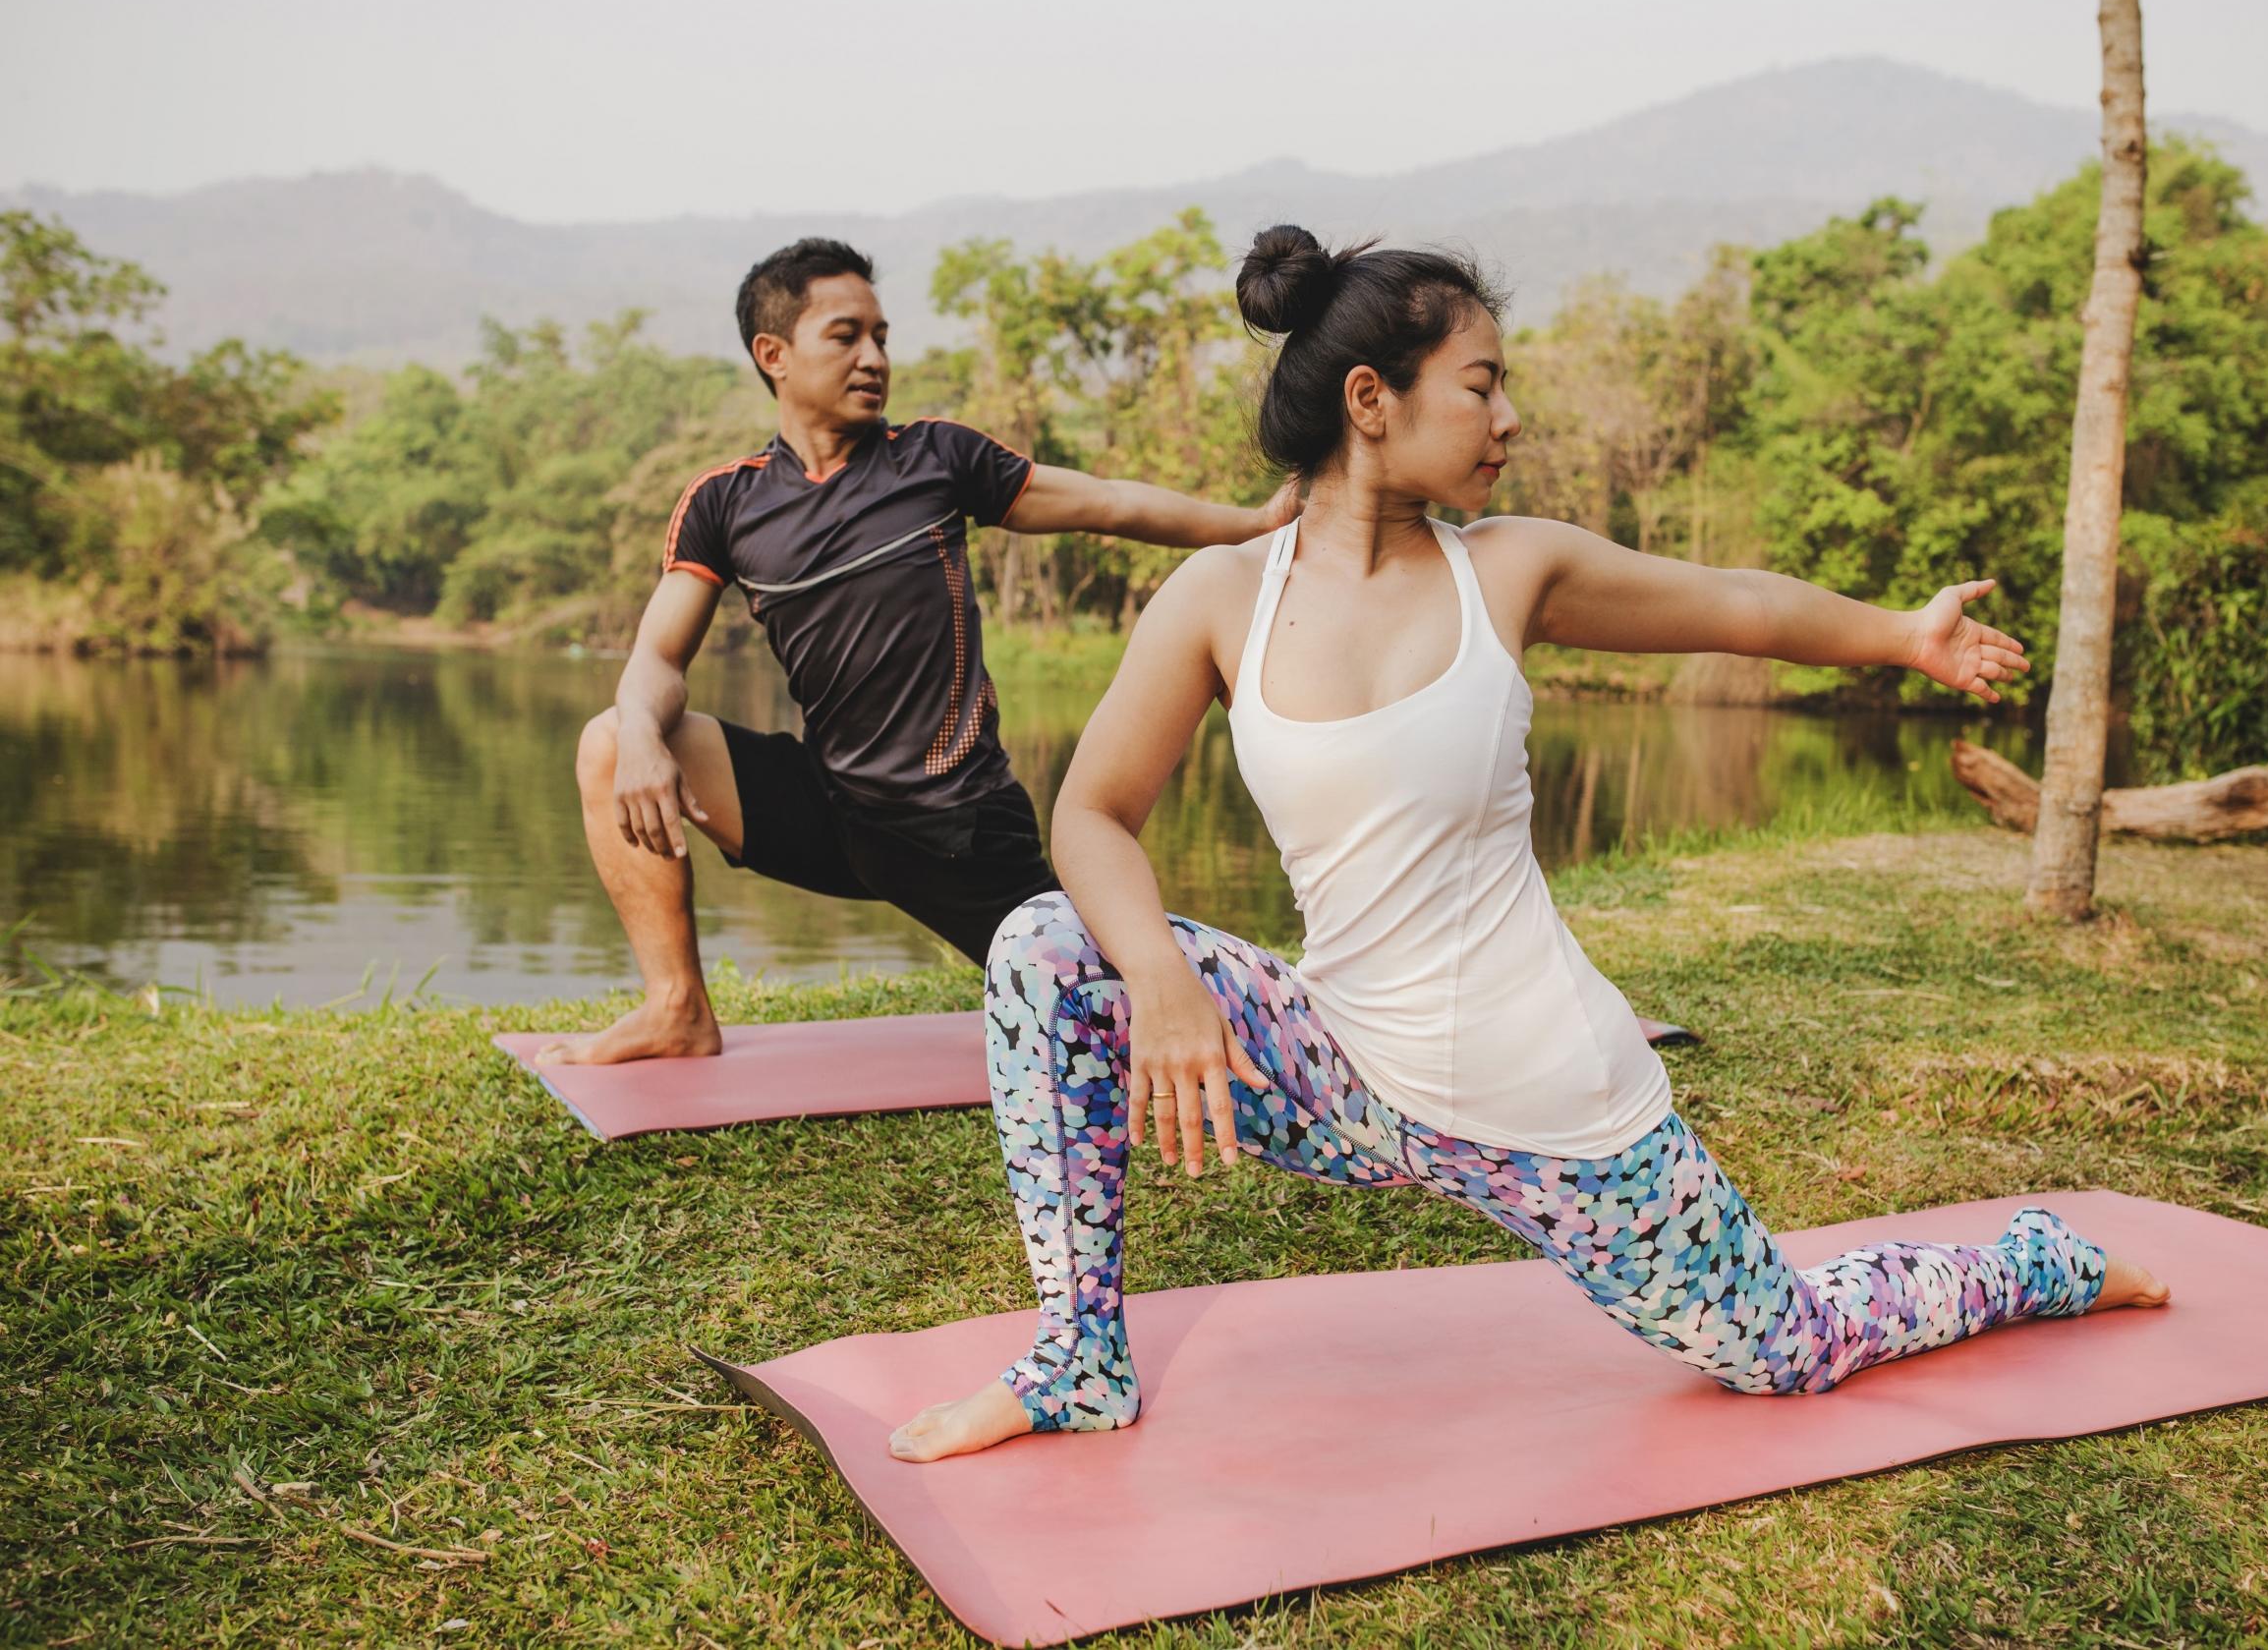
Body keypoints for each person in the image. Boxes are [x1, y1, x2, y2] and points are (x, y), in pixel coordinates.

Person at [889, 226, 2170, 1463]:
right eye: (1482, 385)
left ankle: (2034, 1259)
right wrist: (1160, 978)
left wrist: (1902, 635)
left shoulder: (1508, 571)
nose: (1509, 419)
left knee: (1787, 1347)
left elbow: (1735, 606)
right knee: (1046, 945)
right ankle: (1078, 1360)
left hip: (1549, 1104)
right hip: (1341, 1068)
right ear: (1370, 399)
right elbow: (1090, 813)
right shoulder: (1223, 596)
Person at [538, 238, 1298, 1067]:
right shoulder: (725, 503)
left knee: (1112, 1014)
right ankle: (677, 1008)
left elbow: (1109, 503)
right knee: (611, 740)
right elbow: (656, 658)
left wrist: (1253, 525)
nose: (874, 357)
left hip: (957, 826)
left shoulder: (935, 458)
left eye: (881, 336)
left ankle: (1292, 1022)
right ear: (773, 354)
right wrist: (643, 734)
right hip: (831, 806)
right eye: (845, 335)